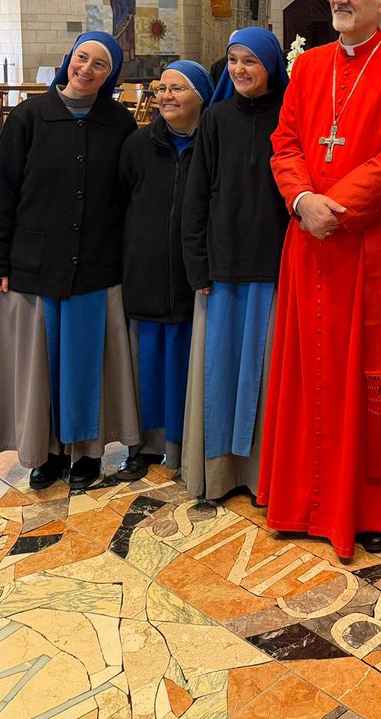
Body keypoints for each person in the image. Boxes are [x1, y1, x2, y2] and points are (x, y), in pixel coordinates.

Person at [257, 0, 381, 559]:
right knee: (309, 371)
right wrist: (302, 199)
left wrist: (335, 207)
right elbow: (284, 142)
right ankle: (300, 500)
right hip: (309, 241)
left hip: (369, 244)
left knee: (366, 373)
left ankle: (372, 509)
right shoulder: (308, 67)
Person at [0, 32, 138, 490]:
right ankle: (46, 453)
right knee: (40, 365)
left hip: (96, 263)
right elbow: (4, 191)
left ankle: (86, 452)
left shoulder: (119, 122)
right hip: (35, 264)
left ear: (110, 76)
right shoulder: (30, 116)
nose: (86, 69)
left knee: (85, 365)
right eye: (82, 58)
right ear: (69, 60)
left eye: (100, 64)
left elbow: (128, 194)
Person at [179, 29, 290, 500]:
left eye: (250, 61)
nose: (240, 70)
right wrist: (197, 264)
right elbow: (197, 196)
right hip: (222, 268)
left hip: (275, 266)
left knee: (265, 376)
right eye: (233, 60)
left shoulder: (291, 116)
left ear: (271, 65)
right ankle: (221, 475)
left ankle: (265, 476)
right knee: (220, 374)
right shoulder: (215, 118)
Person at [117, 59, 214, 481]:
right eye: (162, 89)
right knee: (147, 364)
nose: (166, 96)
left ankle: (183, 445)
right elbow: (120, 203)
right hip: (145, 271)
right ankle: (142, 446)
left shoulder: (211, 144)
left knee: (184, 363)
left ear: (202, 97)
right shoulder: (138, 145)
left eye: (178, 89)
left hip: (192, 275)